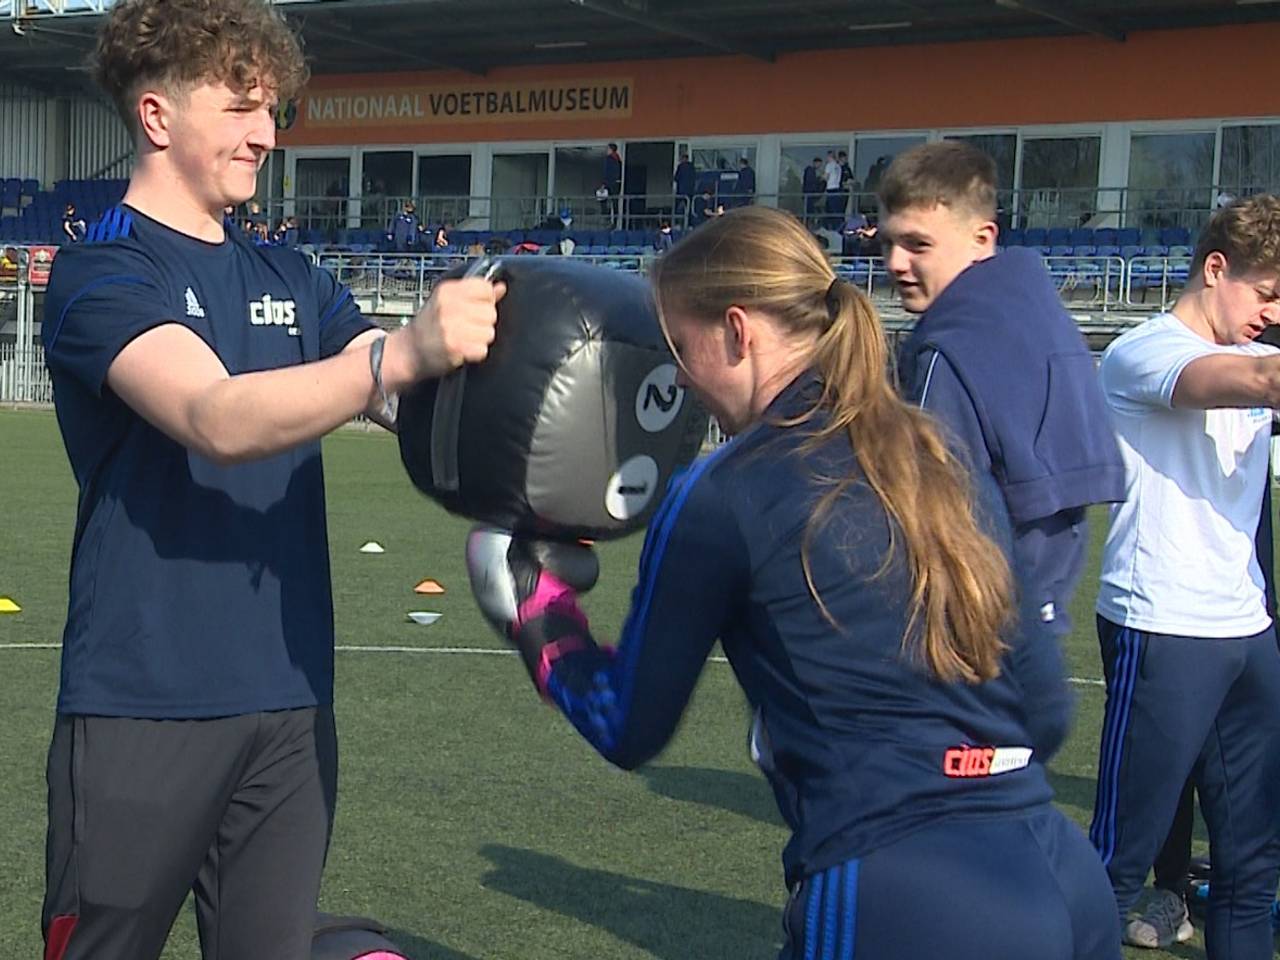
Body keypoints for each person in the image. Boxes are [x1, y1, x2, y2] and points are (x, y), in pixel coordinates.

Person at [468, 206, 1119, 958]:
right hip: (1060, 869)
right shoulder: (938, 454)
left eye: (683, 347)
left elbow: (626, 723)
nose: (678, 376)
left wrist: (538, 612)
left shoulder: (720, 492)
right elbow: (1043, 710)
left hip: (907, 892)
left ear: (739, 332)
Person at [37, 1, 503, 958]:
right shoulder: (99, 271)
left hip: (289, 699)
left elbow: (405, 408)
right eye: (241, 106)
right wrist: (403, 355)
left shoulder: (293, 274)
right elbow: (217, 419)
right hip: (143, 700)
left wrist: (533, 479)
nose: (266, 132)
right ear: (158, 116)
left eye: (273, 108)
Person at [1088, 194, 1280, 958]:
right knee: (1116, 864)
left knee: (1252, 866)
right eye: (1267, 292)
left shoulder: (1260, 357)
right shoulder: (1144, 350)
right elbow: (1244, 383)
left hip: (1247, 630)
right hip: (1161, 624)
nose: (1273, 311)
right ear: (1215, 268)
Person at [884, 141, 1125, 663]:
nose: (895, 262)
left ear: (982, 237)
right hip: (1039, 607)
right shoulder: (1044, 316)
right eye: (889, 243)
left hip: (963, 626)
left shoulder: (946, 351)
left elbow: (921, 506)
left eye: (917, 245)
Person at [603, 142, 623, 223]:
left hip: (610, 183)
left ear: (611, 149)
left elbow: (607, 172)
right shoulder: (618, 159)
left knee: (603, 199)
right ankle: (614, 220)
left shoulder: (610, 159)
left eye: (608, 149)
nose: (606, 150)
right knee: (614, 202)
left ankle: (608, 218)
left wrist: (604, 184)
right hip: (616, 183)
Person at [673, 150, 695, 223]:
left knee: (677, 208)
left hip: (681, 191)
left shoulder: (680, 166)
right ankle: (689, 224)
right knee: (689, 208)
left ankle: (676, 223)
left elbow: (676, 178)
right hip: (690, 191)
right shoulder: (692, 167)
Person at [823, 150, 843, 228]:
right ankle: (837, 227)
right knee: (836, 210)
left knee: (830, 210)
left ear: (830, 157)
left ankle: (832, 228)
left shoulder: (829, 165)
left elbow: (826, 177)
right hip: (837, 189)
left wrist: (821, 178)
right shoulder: (838, 166)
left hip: (831, 189)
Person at [801, 156, 822, 227]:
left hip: (810, 195)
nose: (819, 166)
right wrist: (820, 180)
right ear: (815, 163)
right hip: (809, 194)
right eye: (819, 164)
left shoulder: (811, 171)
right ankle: (807, 225)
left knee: (809, 212)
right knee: (809, 212)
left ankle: (807, 225)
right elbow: (811, 183)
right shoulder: (810, 170)